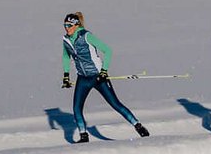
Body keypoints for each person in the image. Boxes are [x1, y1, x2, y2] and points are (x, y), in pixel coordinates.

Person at [61, 11, 149, 142]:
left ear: (76, 25)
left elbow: (107, 50)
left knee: (115, 104)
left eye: (69, 25)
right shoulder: (66, 40)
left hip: (97, 77)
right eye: (65, 25)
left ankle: (138, 126)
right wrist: (66, 75)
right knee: (77, 108)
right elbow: (66, 56)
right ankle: (83, 136)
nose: (66, 28)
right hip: (83, 78)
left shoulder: (86, 36)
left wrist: (104, 71)